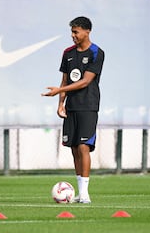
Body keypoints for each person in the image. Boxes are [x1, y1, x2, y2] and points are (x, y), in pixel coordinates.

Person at [42, 16, 104, 203]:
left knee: (84, 146)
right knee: (75, 148)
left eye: (76, 32)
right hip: (71, 108)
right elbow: (65, 80)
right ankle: (79, 192)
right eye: (72, 32)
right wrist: (60, 103)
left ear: (87, 31)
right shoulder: (67, 53)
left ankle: (85, 194)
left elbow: (85, 81)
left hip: (88, 106)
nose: (73, 35)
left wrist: (59, 91)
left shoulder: (96, 52)